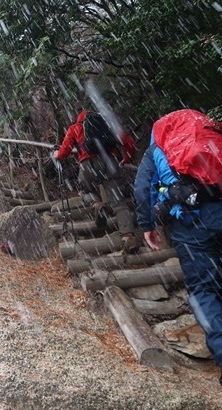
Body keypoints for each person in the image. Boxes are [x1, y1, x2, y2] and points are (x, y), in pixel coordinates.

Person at [134, 109, 222, 383]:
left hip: (194, 225)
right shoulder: (212, 134)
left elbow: (142, 188)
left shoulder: (158, 148)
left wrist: (147, 226)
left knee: (202, 289)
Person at [53, 109, 139, 253]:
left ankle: (97, 204)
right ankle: (128, 237)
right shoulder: (107, 124)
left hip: (89, 165)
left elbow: (64, 152)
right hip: (110, 163)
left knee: (85, 191)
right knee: (119, 202)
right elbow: (129, 143)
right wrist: (126, 159)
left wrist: (57, 154)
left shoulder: (75, 128)